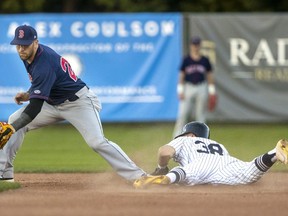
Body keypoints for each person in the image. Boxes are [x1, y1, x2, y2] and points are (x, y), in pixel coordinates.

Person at [0, 25, 146, 182]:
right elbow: (45, 83)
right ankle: (4, 172)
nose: (21, 49)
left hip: (78, 103)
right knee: (15, 118)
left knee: (97, 142)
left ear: (36, 42)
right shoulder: (29, 55)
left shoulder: (44, 62)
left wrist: (13, 128)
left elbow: (35, 107)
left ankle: (138, 176)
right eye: (18, 45)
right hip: (52, 104)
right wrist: (29, 95)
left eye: (26, 44)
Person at [133, 121, 288, 188]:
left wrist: (161, 167)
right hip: (228, 163)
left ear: (191, 135)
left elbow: (163, 151)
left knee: (187, 173)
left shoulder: (186, 141)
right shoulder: (218, 145)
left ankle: (163, 179)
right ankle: (274, 153)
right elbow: (216, 165)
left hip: (200, 164)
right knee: (249, 173)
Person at [173, 36, 217, 138]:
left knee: (200, 116)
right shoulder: (186, 60)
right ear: (191, 46)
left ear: (200, 46)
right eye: (194, 45)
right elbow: (181, 75)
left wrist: (212, 91)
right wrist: (180, 90)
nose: (195, 47)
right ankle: (176, 138)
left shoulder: (205, 60)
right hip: (188, 87)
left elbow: (209, 76)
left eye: (197, 45)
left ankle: (202, 139)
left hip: (201, 87)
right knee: (183, 114)